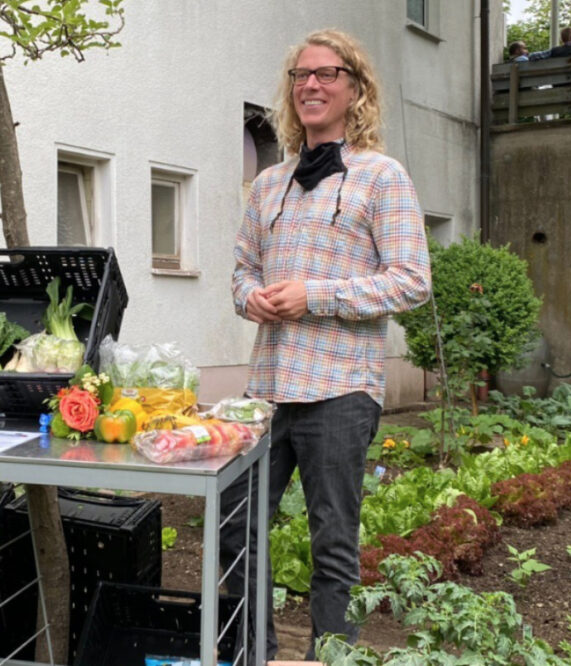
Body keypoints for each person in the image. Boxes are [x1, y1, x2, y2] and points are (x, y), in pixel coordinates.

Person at [222, 29, 431, 661]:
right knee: (236, 523)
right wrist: (250, 297)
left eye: (327, 74)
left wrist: (317, 295)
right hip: (268, 389)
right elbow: (241, 274)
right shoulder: (269, 185)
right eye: (300, 76)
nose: (311, 85)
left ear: (354, 89)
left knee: (333, 540)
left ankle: (329, 655)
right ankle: (250, 652)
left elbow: (412, 281)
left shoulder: (381, 177)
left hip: (341, 387)